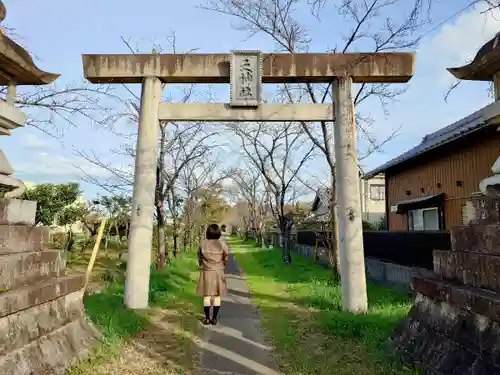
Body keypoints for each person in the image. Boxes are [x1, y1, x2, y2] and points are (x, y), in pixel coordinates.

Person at [196, 223, 229, 325]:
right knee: (217, 296)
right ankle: (214, 318)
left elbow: (199, 256)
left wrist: (202, 263)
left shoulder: (203, 243)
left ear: (208, 233)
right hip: (218, 272)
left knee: (206, 296)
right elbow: (226, 256)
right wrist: (222, 264)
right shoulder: (222, 244)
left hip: (206, 271)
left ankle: (206, 318)